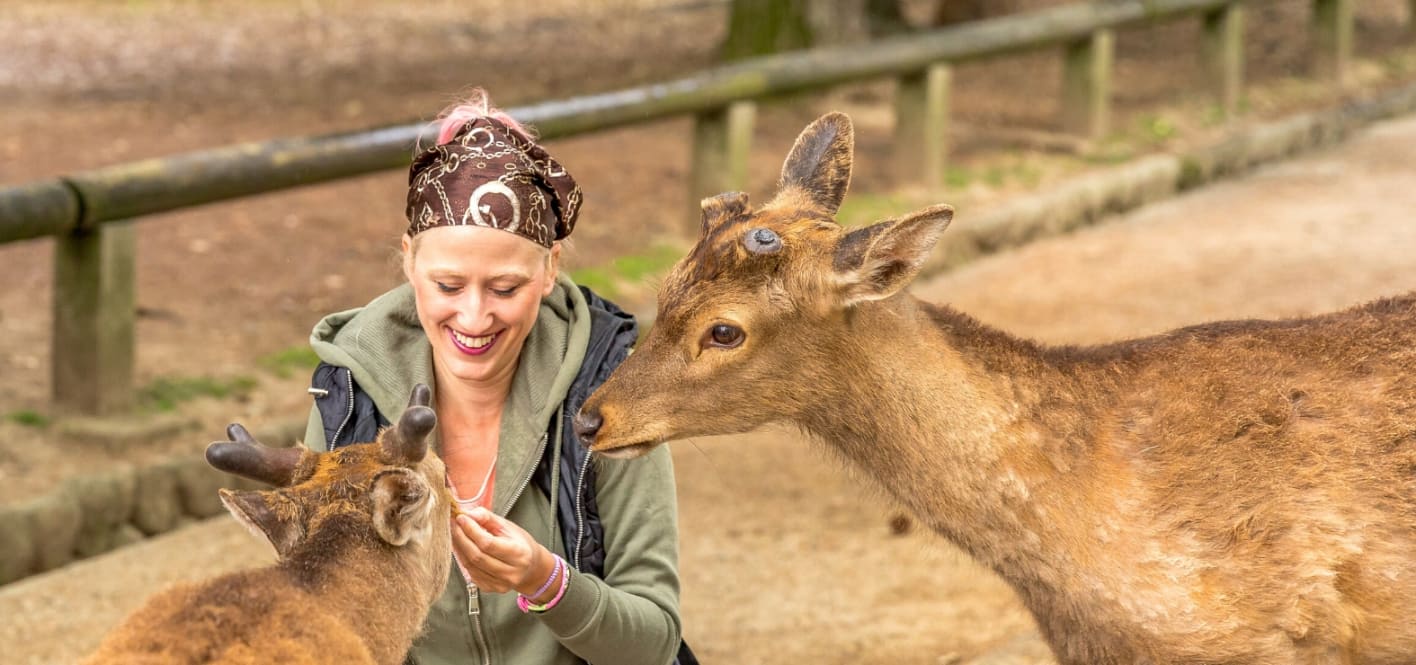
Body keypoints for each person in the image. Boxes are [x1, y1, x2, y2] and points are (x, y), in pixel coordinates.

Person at [300, 89, 689, 665]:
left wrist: (549, 583)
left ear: (551, 267)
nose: (475, 317)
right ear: (409, 260)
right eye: (448, 286)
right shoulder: (346, 399)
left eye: (505, 288)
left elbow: (654, 642)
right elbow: (315, 623)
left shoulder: (610, 392)